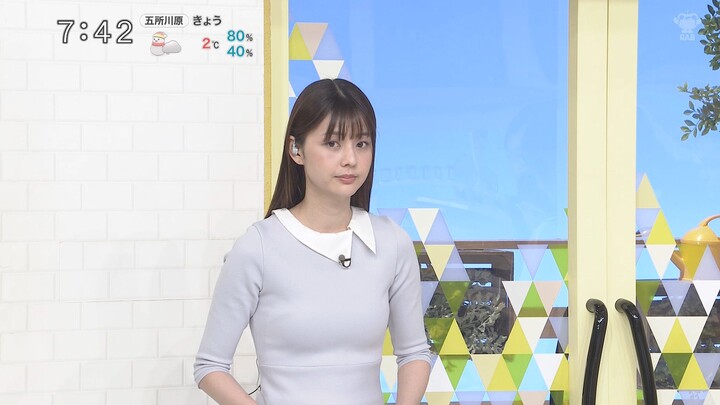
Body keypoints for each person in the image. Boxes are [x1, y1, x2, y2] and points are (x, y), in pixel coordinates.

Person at [194, 78, 432, 405]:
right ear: (296, 149)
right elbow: (210, 366)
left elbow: (414, 352)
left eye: (362, 144)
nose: (350, 159)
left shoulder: (392, 243)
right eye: (332, 143)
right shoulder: (258, 247)